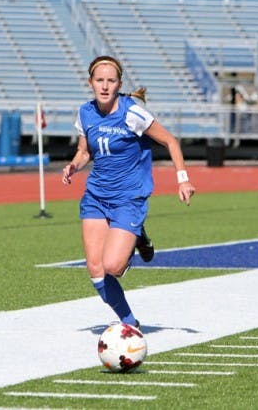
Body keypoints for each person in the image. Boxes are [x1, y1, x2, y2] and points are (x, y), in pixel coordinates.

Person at [62, 55, 196, 328]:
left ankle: (137, 237)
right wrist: (74, 166)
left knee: (113, 267)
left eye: (111, 81)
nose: (105, 86)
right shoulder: (85, 112)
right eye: (99, 80)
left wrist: (183, 179)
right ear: (90, 83)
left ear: (119, 83)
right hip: (96, 197)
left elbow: (170, 140)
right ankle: (130, 323)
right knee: (96, 270)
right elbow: (84, 151)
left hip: (128, 198)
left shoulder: (132, 112)